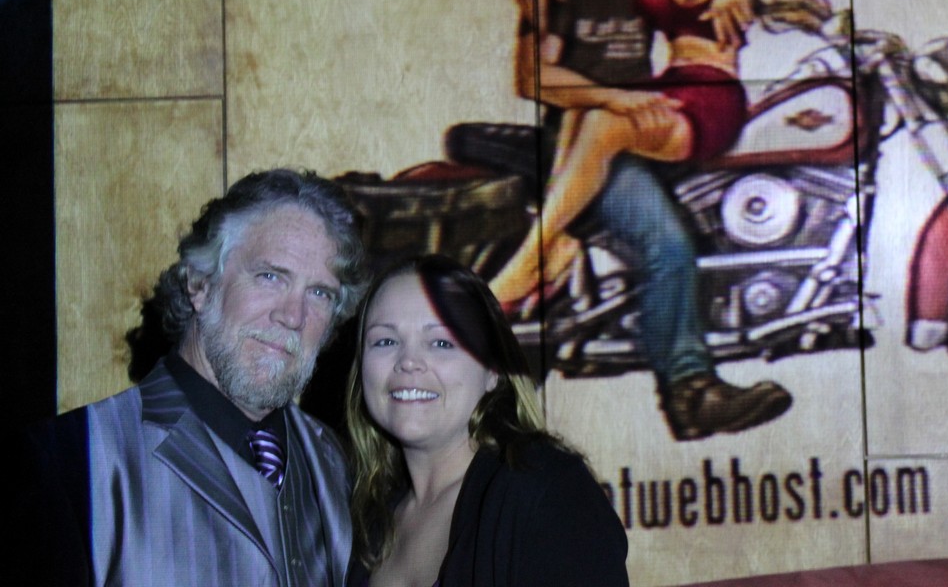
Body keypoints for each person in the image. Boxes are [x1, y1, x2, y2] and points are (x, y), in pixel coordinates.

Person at [486, 0, 829, 441]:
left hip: (689, 102)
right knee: (658, 228)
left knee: (607, 129)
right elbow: (531, 74)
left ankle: (542, 256)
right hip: (624, 116)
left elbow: (820, 11)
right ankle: (685, 385)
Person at [17, 169, 370, 586]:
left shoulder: (336, 461)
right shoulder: (70, 461)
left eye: (320, 293)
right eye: (270, 276)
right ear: (199, 284)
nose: (293, 316)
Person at [345, 255, 628, 587]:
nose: (408, 361)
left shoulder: (546, 492)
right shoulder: (359, 521)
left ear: (493, 370)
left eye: (441, 342)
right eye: (385, 341)